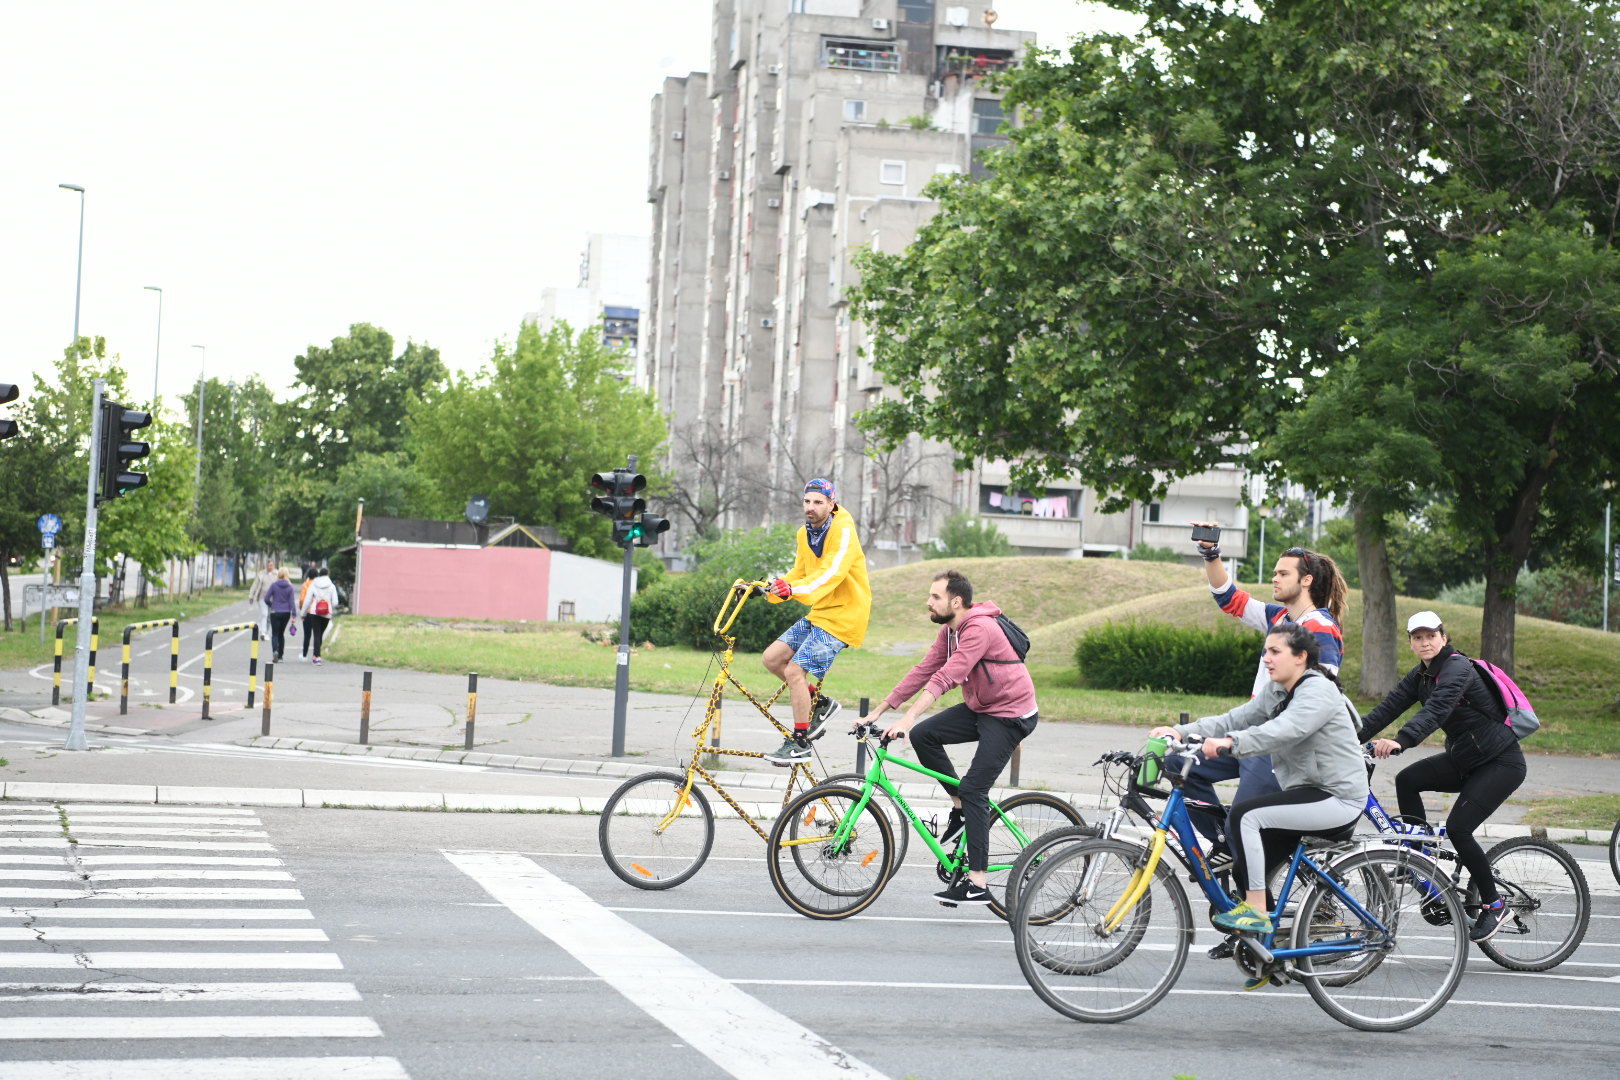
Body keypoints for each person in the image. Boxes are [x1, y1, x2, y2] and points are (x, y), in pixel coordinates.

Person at [1152, 622, 1368, 981]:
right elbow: (1235, 718)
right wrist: (1181, 731)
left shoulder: (1317, 691)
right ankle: (1266, 953)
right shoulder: (1278, 690)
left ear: (1300, 658)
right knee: (1243, 861)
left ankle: (1254, 909)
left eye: (1274, 652)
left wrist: (1230, 744)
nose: (1265, 658)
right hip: (1308, 791)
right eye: (1265, 651)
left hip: (1337, 797)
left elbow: (1284, 730)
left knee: (1245, 817)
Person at [1181, 532, 1348, 958]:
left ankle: (1260, 924)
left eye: (1282, 572)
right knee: (1188, 768)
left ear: (1306, 580)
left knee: (1246, 822)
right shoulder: (1281, 619)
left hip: (1275, 746)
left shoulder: (1318, 629)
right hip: (1251, 736)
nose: (1274, 578)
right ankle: (1227, 849)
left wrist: (1237, 738)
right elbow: (1230, 599)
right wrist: (1211, 555)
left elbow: (1313, 697)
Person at [868, 569, 1038, 906]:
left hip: (1010, 716)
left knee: (976, 788)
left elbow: (948, 676)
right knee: (924, 735)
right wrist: (880, 711)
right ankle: (960, 806)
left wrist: (907, 716)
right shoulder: (950, 631)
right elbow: (924, 669)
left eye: (935, 597)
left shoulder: (979, 628)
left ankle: (977, 882)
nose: (928, 602)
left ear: (955, 601)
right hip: (982, 707)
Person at [1358, 611, 1526, 943]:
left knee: (1459, 829)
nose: (1425, 642)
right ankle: (1419, 858)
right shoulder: (1421, 675)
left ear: (1443, 638)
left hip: (1500, 762)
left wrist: (1401, 740)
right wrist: (1345, 738)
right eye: (1417, 637)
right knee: (1408, 780)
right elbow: (1388, 708)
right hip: (1466, 759)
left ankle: (1495, 904)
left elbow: (1437, 709)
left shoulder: (1458, 668)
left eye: (1431, 635)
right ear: (1410, 642)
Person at [760, 478, 872, 765]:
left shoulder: (843, 531)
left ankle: (800, 743)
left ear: (832, 504)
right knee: (772, 659)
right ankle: (820, 703)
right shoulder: (804, 533)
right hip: (821, 612)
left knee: (795, 672)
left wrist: (793, 590)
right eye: (807, 501)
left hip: (844, 616)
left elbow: (832, 573)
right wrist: (773, 587)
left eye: (818, 502)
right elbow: (799, 572)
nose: (811, 507)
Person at [298, 566, 343, 666]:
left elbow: (307, 601)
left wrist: (303, 613)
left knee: (316, 634)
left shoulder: (314, 584)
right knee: (320, 634)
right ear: (328, 574)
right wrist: (328, 603)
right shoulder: (331, 586)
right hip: (326, 614)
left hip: (315, 612)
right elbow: (335, 602)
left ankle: (316, 656)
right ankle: (317, 655)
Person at [264, 568, 297, 663]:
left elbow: (266, 598)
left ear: (278, 574)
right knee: (281, 634)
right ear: (287, 575)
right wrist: (294, 615)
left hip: (275, 611)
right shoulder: (290, 587)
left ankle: (275, 651)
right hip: (286, 613)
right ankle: (281, 656)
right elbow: (292, 603)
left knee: (275, 634)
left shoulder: (274, 585)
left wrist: (272, 605)